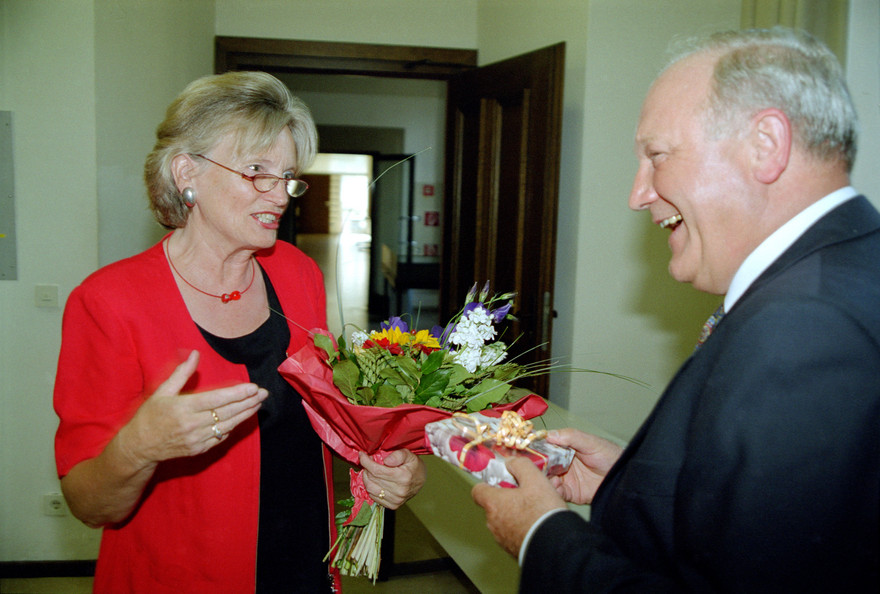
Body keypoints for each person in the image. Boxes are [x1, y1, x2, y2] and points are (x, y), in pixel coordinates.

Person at [472, 27, 879, 592]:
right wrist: (633, 483)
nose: (638, 195)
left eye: (657, 156)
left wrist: (542, 535)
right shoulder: (847, 270)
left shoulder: (805, 328)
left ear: (766, 145)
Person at [53, 71, 425, 593]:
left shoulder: (297, 273)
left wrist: (387, 462)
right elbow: (88, 503)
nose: (281, 194)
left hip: (304, 564)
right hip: (179, 578)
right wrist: (140, 446)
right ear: (188, 172)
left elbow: (326, 415)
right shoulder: (109, 302)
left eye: (289, 176)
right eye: (257, 172)